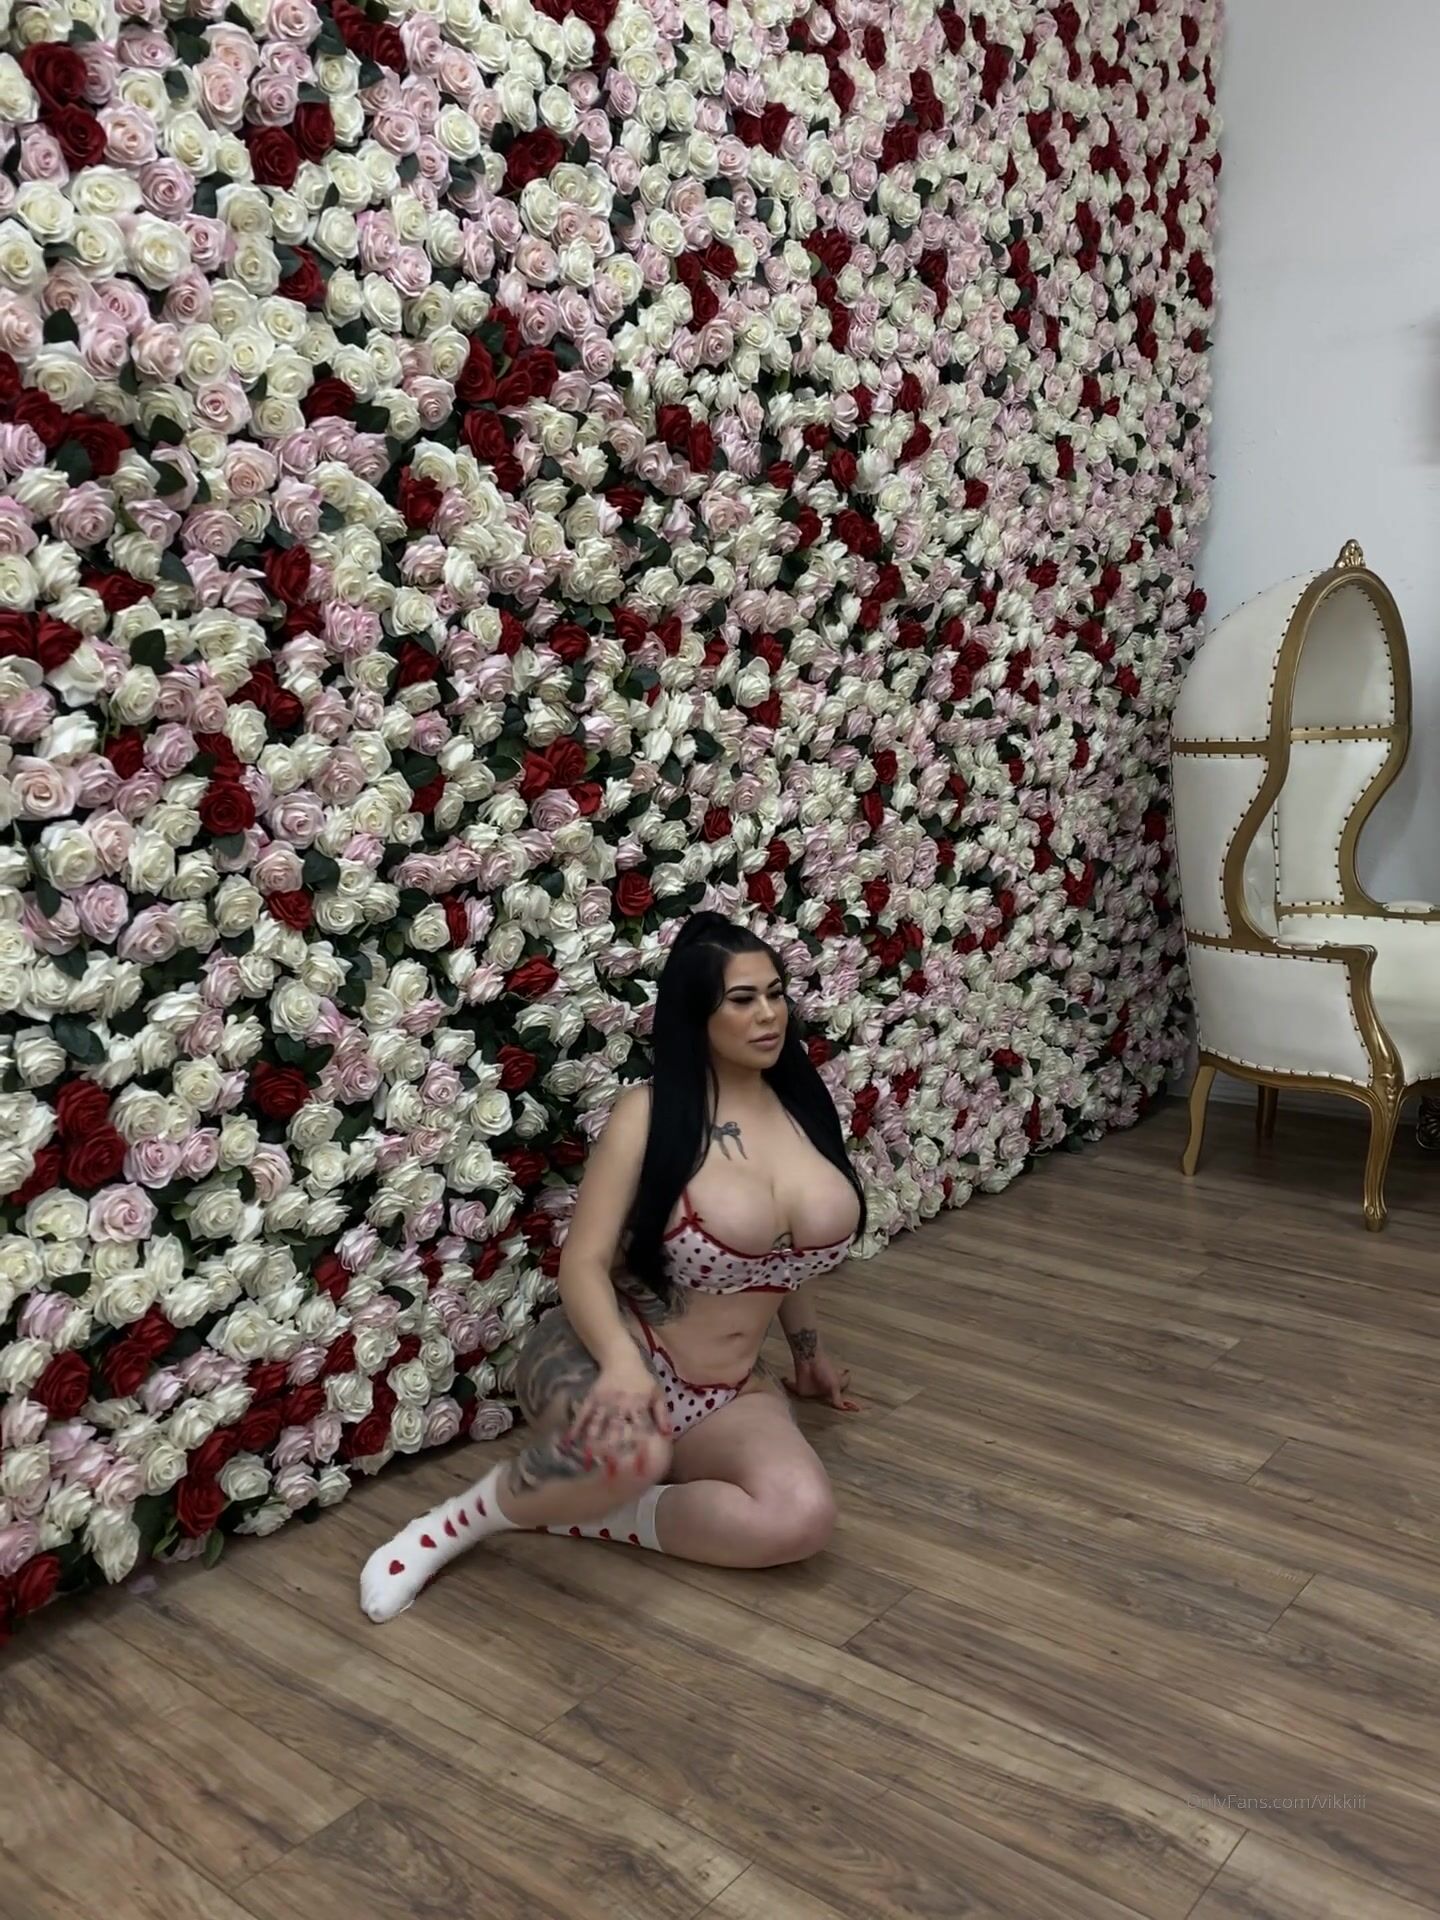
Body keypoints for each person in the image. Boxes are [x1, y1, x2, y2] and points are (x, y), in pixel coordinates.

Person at [360, 911, 866, 1622]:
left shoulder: (804, 1108)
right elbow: (583, 1264)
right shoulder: (649, 1115)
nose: (768, 1014)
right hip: (612, 1354)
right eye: (742, 999)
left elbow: (781, 1265)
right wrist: (624, 1367)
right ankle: (460, 1520)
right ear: (697, 1013)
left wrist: (807, 1354)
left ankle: (580, 1508)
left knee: (800, 1519)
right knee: (631, 1457)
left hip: (726, 1390)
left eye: (776, 994)